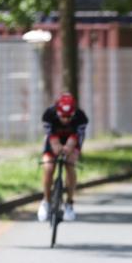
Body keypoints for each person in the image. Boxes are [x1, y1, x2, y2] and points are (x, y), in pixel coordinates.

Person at [38, 93, 88, 223]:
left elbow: (77, 137)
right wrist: (56, 146)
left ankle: (69, 203)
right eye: (62, 116)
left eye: (68, 117)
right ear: (57, 112)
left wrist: (69, 148)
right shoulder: (49, 114)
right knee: (48, 166)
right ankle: (46, 201)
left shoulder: (80, 117)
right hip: (54, 138)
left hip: (72, 139)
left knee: (70, 163)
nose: (65, 120)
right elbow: (50, 136)